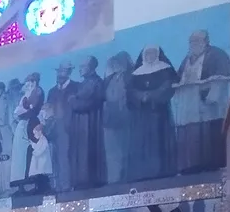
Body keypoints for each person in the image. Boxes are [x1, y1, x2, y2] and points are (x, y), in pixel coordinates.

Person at [174, 30, 230, 174]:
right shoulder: (187, 59)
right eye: (192, 41)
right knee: (192, 134)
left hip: (209, 105)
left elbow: (221, 79)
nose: (194, 44)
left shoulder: (217, 55)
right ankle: (192, 164)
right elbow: (179, 80)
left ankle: (211, 164)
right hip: (190, 106)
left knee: (209, 134)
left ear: (206, 41)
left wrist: (212, 97)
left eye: (197, 40)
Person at [127, 46, 178, 181]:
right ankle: (143, 172)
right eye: (147, 53)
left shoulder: (165, 69)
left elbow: (169, 85)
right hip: (141, 116)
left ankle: (162, 170)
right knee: (141, 143)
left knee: (159, 140)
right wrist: (141, 96)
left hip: (159, 113)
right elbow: (130, 91)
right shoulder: (136, 73)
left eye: (153, 53)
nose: (150, 55)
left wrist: (152, 95)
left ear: (158, 54)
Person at [69, 56, 106, 190]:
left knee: (89, 152)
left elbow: (93, 103)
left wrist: (74, 102)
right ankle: (81, 180)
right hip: (80, 125)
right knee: (80, 153)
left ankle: (90, 180)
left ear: (91, 67)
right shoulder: (82, 84)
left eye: (83, 66)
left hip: (91, 124)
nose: (80, 69)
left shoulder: (97, 82)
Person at [44, 61, 79, 193]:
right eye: (59, 71)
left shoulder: (75, 87)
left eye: (63, 71)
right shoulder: (52, 91)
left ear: (69, 73)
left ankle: (67, 185)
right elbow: (48, 109)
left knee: (66, 157)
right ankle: (57, 185)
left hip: (69, 128)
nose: (60, 74)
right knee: (55, 158)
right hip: (54, 129)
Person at [103, 52, 133, 184]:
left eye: (118, 63)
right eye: (113, 64)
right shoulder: (110, 79)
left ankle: (125, 177)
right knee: (112, 151)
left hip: (125, 119)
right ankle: (113, 179)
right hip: (110, 120)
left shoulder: (129, 77)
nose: (115, 66)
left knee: (126, 150)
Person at [10, 72, 44, 184]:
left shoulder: (37, 91)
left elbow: (31, 107)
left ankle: (34, 181)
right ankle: (21, 182)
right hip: (24, 123)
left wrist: (24, 110)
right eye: (27, 83)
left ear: (34, 82)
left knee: (32, 152)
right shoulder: (28, 93)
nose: (28, 85)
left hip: (31, 123)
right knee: (20, 153)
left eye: (29, 82)